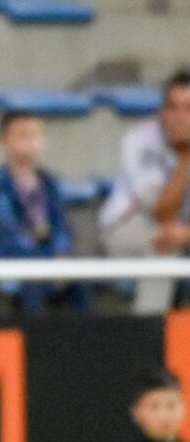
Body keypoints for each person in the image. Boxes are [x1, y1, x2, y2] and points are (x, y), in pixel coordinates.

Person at [0, 111, 89, 313]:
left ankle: (88, 341)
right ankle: (33, 341)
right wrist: (45, 259)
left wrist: (59, 252)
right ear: (4, 141)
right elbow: (8, 235)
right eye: (22, 135)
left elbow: (61, 226)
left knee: (80, 280)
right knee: (33, 282)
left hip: (46, 258)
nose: (30, 142)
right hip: (8, 260)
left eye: (35, 135)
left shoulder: (49, 183)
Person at [100, 70, 190, 312]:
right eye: (172, 107)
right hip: (129, 228)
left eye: (188, 108)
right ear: (162, 111)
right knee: (163, 246)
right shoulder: (140, 140)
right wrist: (185, 158)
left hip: (184, 232)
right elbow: (162, 214)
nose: (180, 117)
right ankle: (149, 338)